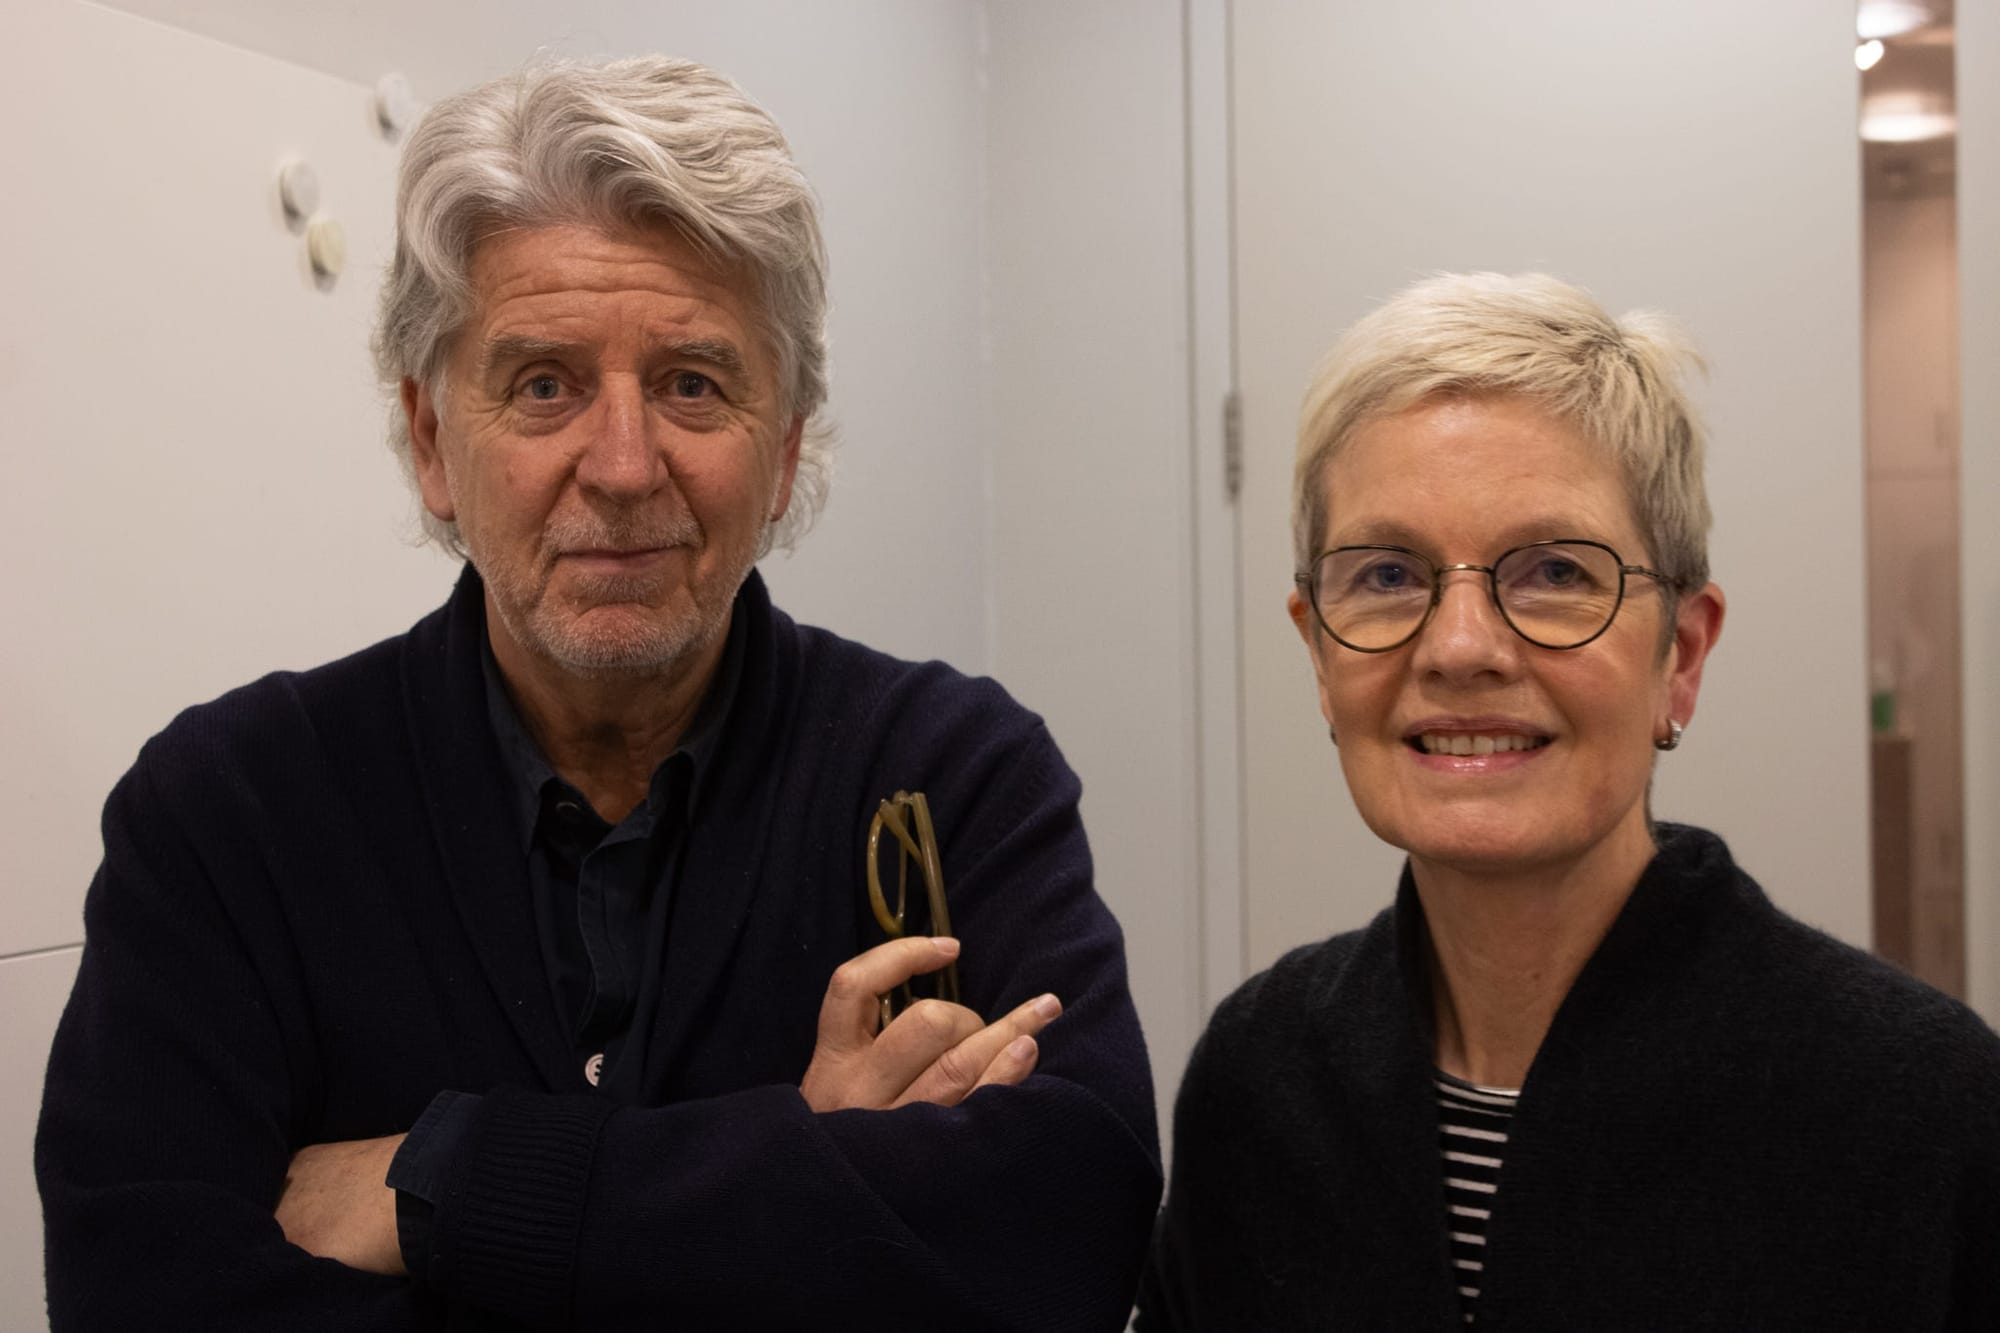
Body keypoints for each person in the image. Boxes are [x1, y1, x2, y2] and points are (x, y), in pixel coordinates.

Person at [37, 56, 1159, 1331]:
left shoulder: (953, 775)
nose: (623, 466)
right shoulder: (229, 811)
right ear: (430, 441)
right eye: (543, 384)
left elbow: (1069, 1237)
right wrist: (803, 1166)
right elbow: (141, 1290)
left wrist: (445, 1184)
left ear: (785, 447)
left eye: (691, 382)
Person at [1137, 272, 2000, 1329]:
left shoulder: (1917, 1106)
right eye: (1387, 575)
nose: (1459, 648)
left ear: (1679, 655)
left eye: (1553, 571)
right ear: (1318, 653)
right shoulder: (1259, 1080)